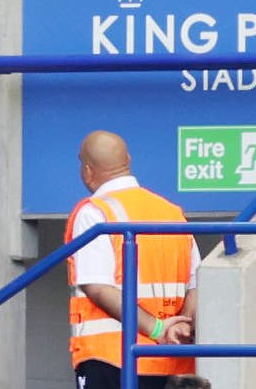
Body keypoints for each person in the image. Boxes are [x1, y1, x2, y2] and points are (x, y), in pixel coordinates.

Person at [63, 131, 196, 389]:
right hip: (173, 365)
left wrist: (157, 329)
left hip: (113, 361)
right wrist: (181, 327)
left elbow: (98, 287)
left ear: (88, 171)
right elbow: (197, 283)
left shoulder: (96, 212)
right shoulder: (171, 212)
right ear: (128, 160)